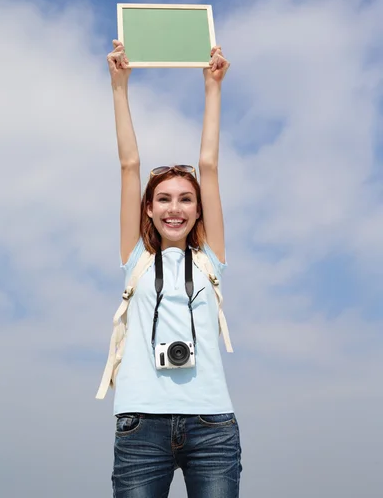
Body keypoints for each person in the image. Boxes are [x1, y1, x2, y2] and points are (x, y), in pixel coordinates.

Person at [105, 39, 242, 498]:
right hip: (141, 424)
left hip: (212, 425)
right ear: (147, 209)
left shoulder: (210, 258)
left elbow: (210, 165)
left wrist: (213, 87)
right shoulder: (135, 260)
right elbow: (129, 166)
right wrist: (119, 86)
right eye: (163, 199)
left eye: (186, 199)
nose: (175, 208)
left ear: (199, 210)